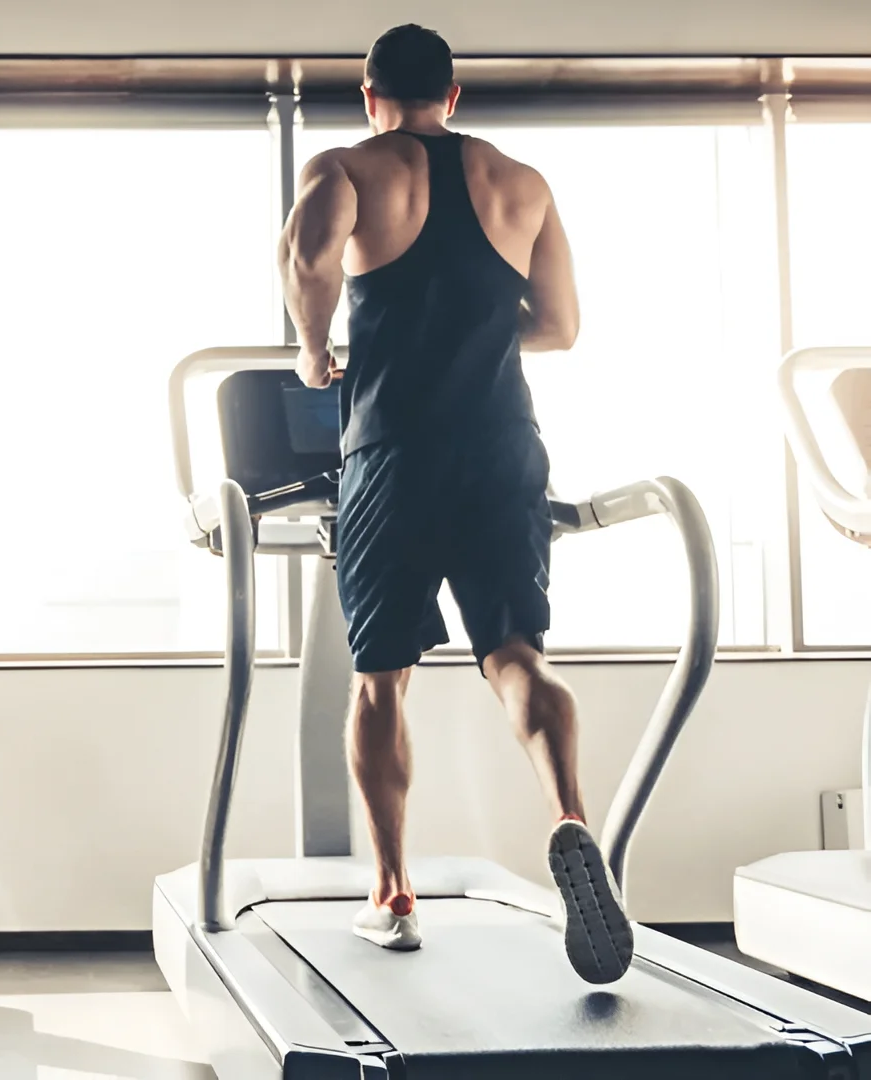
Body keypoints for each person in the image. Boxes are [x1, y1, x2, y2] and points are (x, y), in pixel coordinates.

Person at [278, 25, 632, 985]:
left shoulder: (347, 167)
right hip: (505, 447)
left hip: (393, 451)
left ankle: (392, 892)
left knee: (381, 680)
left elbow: (307, 263)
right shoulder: (523, 184)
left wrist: (315, 355)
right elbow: (558, 326)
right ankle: (569, 818)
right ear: (454, 94)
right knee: (518, 657)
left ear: (369, 94)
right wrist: (473, 313)